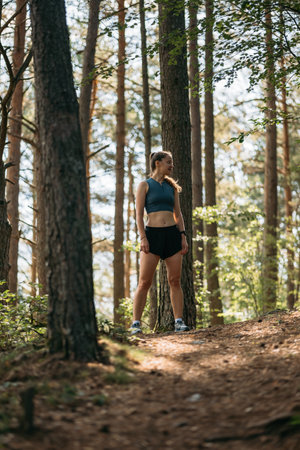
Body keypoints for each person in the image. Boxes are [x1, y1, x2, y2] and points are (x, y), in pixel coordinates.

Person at [130, 151, 190, 335]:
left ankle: (178, 321)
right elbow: (139, 214)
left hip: (172, 235)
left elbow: (178, 214)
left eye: (172, 162)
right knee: (144, 282)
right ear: (157, 163)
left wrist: (183, 236)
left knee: (174, 280)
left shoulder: (172, 187)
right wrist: (143, 237)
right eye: (168, 162)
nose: (172, 165)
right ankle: (136, 324)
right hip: (152, 236)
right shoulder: (144, 185)